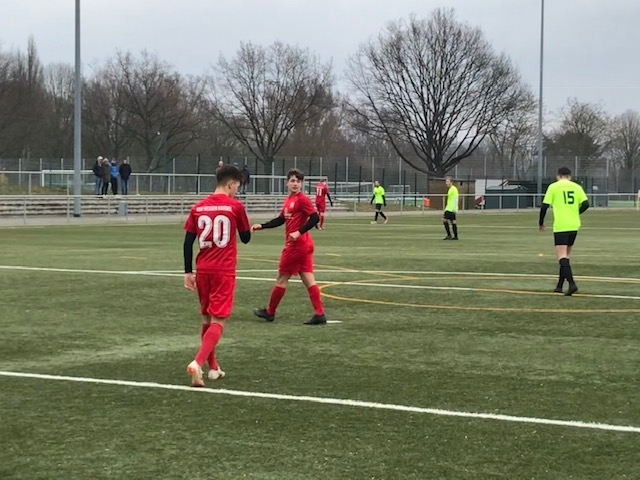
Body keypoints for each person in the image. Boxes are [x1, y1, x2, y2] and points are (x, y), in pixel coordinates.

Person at [183, 165, 252, 387]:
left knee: (207, 318)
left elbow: (187, 242)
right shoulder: (235, 206)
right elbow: (245, 238)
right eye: (237, 186)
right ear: (231, 184)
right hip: (223, 270)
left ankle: (213, 368)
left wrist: (188, 272)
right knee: (219, 320)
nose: (237, 191)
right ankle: (198, 362)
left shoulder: (198, 207)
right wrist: (248, 228)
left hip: (203, 269)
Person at [252, 168, 327, 325]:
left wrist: (298, 232)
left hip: (296, 246)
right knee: (308, 278)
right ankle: (319, 314)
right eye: (293, 181)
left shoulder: (302, 200)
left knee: (282, 278)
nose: (295, 184)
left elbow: (314, 218)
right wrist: (262, 226)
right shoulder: (288, 200)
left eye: (298, 181)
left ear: (301, 184)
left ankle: (270, 312)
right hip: (304, 245)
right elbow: (280, 220)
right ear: (287, 183)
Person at [539, 166, 589, 296]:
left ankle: (572, 284)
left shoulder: (553, 187)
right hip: (574, 225)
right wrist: (576, 213)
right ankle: (559, 285)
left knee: (561, 256)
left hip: (561, 225)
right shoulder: (576, 187)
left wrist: (541, 222)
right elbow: (586, 204)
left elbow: (544, 206)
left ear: (558, 176)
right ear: (570, 176)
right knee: (566, 256)